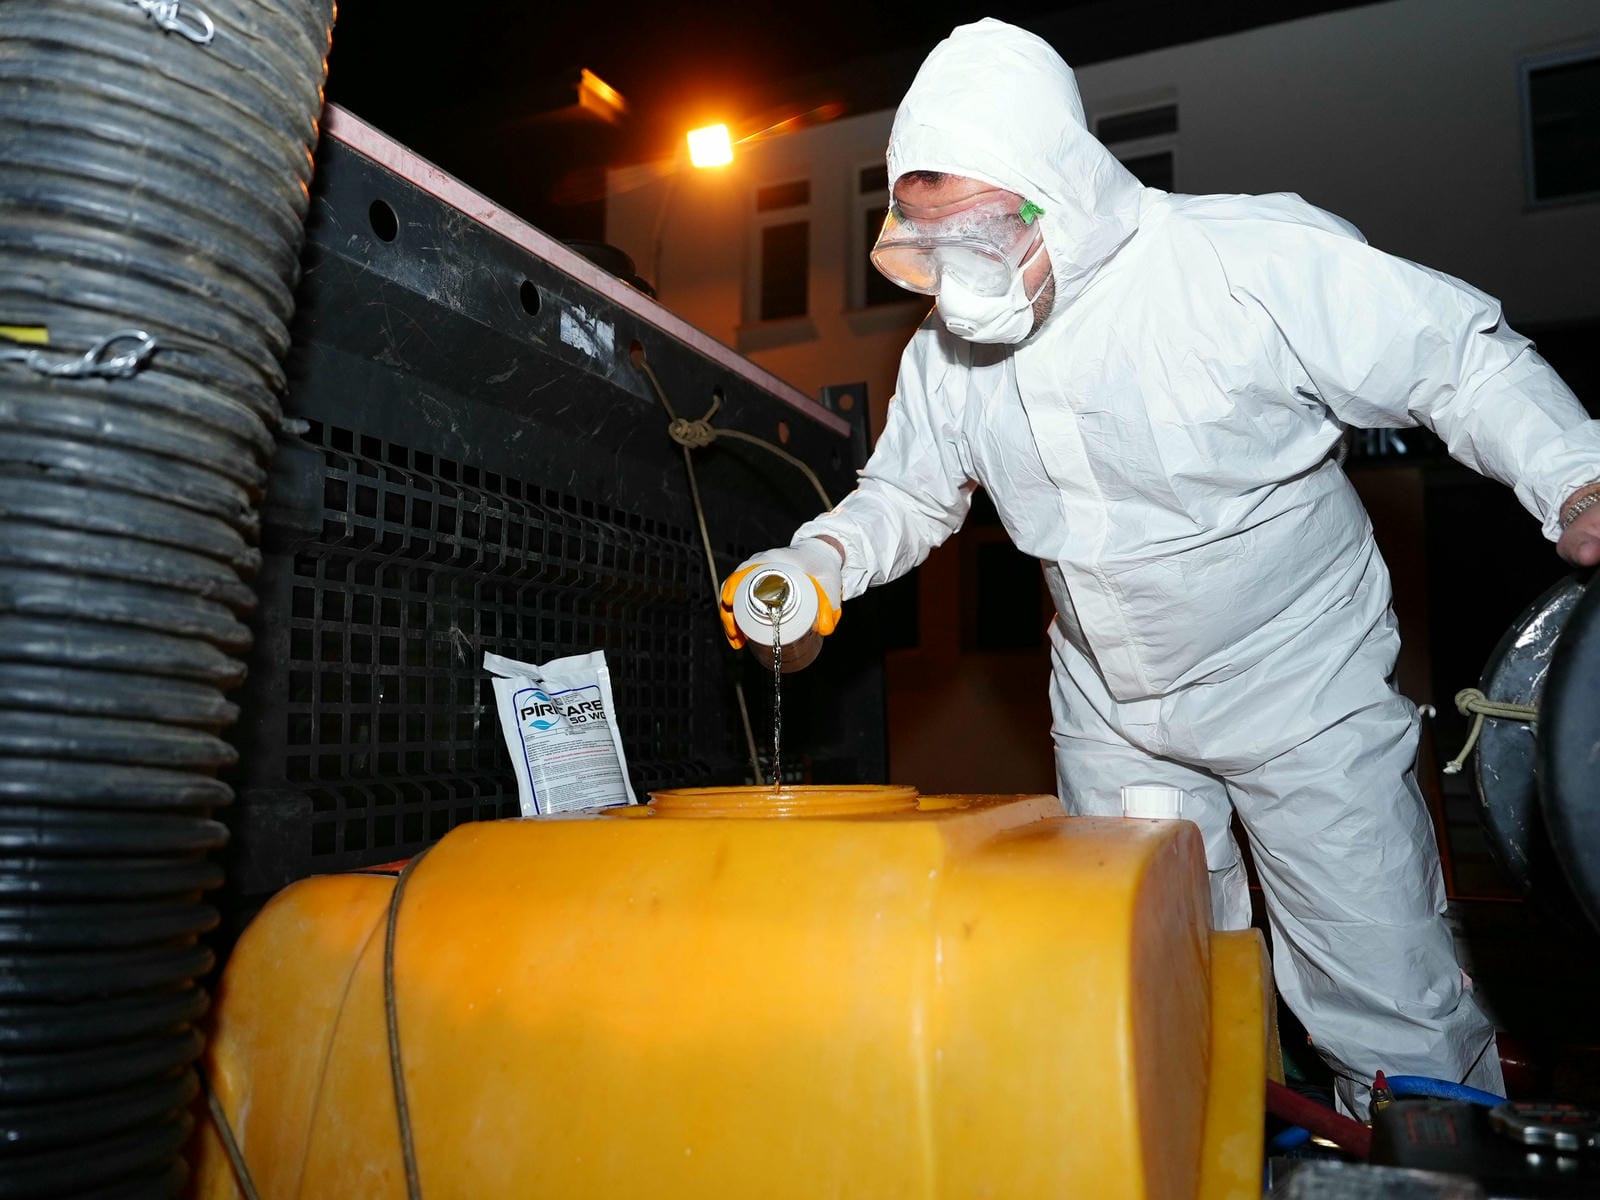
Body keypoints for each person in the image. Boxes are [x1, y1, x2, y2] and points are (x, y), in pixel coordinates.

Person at [719, 17, 1600, 1114]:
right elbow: (906, 494)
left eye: (979, 238)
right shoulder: (946, 359)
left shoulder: (1241, 266)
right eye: (931, 247)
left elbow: (1454, 360)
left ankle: (1422, 1166)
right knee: (1157, 987)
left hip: (1302, 687)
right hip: (1115, 712)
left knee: (1384, 998)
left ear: (1058, 188)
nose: (956, 279)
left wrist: (1576, 477)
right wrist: (814, 565)